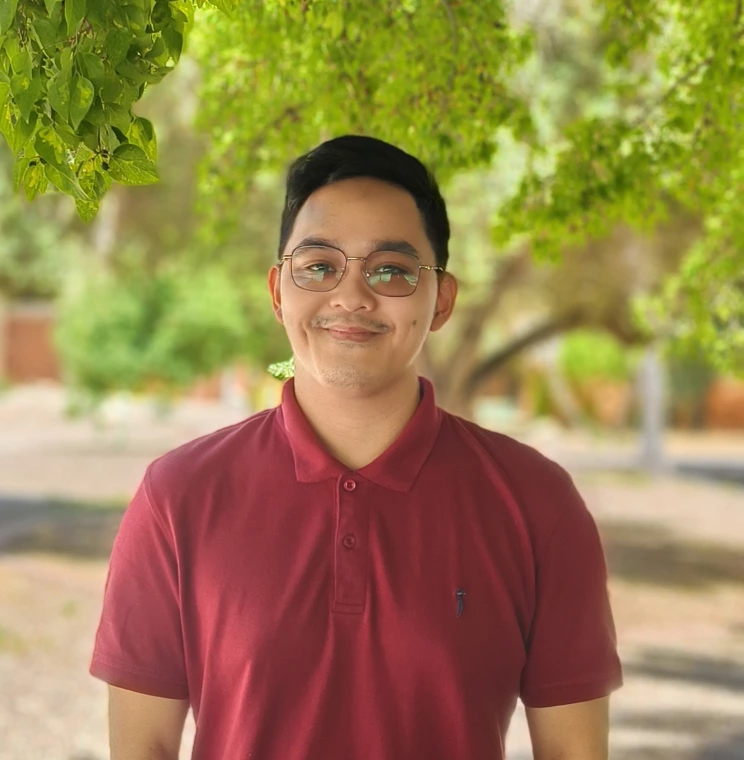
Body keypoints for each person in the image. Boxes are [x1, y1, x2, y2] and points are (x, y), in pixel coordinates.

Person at [90, 135, 622, 760]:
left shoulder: (537, 503)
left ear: (441, 300)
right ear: (277, 290)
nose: (351, 296)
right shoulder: (176, 497)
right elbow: (142, 747)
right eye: (319, 266)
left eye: (391, 270)